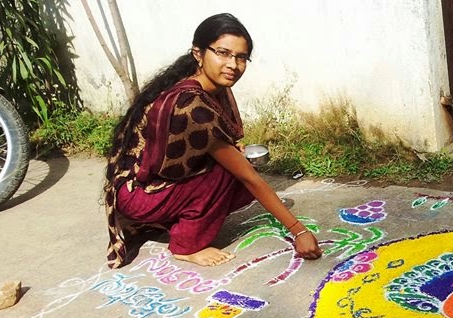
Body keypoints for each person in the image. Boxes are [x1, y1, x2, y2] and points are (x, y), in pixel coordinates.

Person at [103, 13, 321, 268]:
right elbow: (246, 176)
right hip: (137, 196)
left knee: (235, 165)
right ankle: (186, 245)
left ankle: (179, 216)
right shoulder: (193, 104)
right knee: (230, 172)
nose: (233, 64)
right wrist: (299, 231)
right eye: (223, 53)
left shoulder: (214, 86)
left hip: (150, 186)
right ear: (198, 53)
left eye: (241, 57)